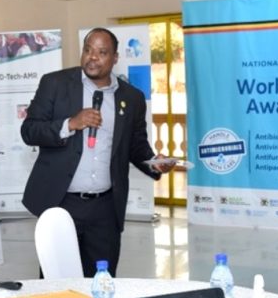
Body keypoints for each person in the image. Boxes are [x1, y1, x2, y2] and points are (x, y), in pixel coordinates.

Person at [21, 28, 173, 277]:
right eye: (88, 50)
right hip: (61, 203)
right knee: (56, 282)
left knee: (102, 281)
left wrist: (153, 163)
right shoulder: (55, 84)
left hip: (105, 208)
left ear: (114, 58)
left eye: (102, 52)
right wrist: (70, 123)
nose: (93, 57)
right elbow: (29, 131)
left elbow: (135, 146)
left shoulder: (132, 98)